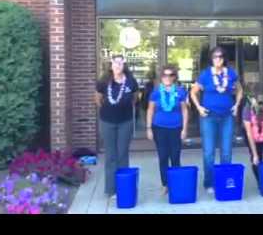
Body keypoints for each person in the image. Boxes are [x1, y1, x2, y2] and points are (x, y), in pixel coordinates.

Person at [190, 47, 244, 194]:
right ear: (211, 59)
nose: (218, 59)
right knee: (209, 152)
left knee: (226, 151)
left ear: (224, 58)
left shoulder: (231, 73)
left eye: (220, 56)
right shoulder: (206, 75)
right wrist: (199, 108)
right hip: (209, 117)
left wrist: (237, 105)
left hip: (227, 117)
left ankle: (224, 181)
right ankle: (209, 183)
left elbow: (240, 90)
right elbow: (193, 92)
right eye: (215, 57)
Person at [95, 55, 139, 200]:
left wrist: (124, 107)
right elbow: (98, 98)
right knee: (111, 155)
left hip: (125, 122)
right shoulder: (103, 81)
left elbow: (135, 98)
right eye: (115, 62)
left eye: (121, 63)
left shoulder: (131, 81)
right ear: (111, 65)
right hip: (107, 122)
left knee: (122, 154)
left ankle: (123, 186)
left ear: (124, 65)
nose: (118, 65)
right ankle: (110, 189)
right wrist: (108, 109)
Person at [146, 65, 188, 196]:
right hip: (159, 128)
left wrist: (185, 129)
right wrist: (148, 128)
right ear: (161, 77)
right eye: (165, 75)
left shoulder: (180, 91)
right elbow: (150, 110)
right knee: (163, 156)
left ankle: (175, 183)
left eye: (170, 75)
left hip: (176, 128)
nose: (167, 78)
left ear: (174, 77)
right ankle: (165, 184)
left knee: (175, 156)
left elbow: (185, 110)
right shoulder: (156, 92)